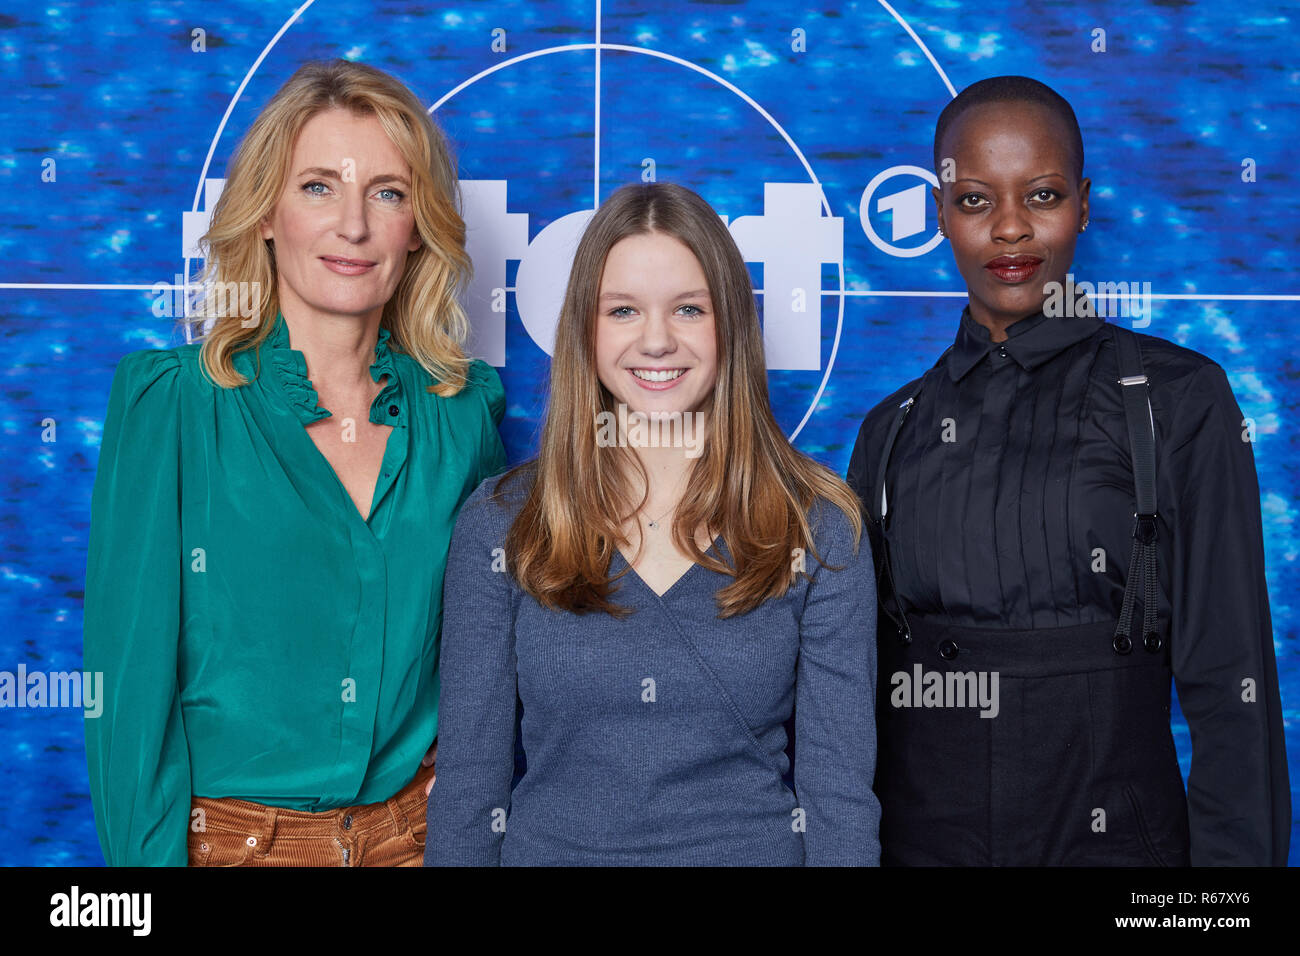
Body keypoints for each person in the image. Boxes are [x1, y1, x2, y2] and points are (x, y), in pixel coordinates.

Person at [847, 75, 1290, 866]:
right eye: (977, 200)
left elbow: (1233, 690)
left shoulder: (1179, 400)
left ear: (1083, 205)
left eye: (1043, 195)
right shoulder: (891, 431)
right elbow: (848, 701)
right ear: (940, 214)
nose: (1011, 230)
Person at [83, 59, 507, 866]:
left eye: (387, 192)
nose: (353, 225)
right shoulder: (172, 404)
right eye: (318, 186)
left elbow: (480, 671)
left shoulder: (462, 413)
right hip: (235, 850)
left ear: (418, 226)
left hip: (418, 843)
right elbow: (125, 699)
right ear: (267, 212)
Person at [425, 182, 880, 866]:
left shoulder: (818, 527)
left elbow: (840, 801)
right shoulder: (501, 526)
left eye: (689, 309)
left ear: (730, 324)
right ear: (586, 328)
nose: (658, 340)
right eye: (624, 311)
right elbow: (467, 790)